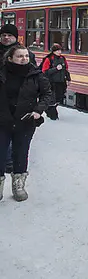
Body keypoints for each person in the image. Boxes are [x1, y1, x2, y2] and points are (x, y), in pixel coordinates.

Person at [0, 44, 53, 201]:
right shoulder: (2, 73)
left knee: (21, 153)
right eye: (19, 56)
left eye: (26, 56)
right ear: (10, 58)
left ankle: (19, 186)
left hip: (25, 120)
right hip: (2, 120)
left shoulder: (36, 75)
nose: (24, 59)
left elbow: (47, 94)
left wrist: (38, 110)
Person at [0, 24, 36, 174]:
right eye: (3, 35)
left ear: (16, 37)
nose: (6, 38)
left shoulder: (25, 53)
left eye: (10, 35)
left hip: (20, 103)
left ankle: (13, 166)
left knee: (18, 140)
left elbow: (36, 77)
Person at [41, 43, 71, 120]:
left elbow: (66, 69)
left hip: (61, 82)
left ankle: (49, 110)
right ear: (53, 51)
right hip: (51, 83)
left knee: (59, 98)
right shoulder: (49, 59)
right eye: (57, 50)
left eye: (60, 50)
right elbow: (45, 71)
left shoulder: (63, 59)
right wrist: (56, 69)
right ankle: (53, 115)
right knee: (52, 99)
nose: (59, 52)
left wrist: (68, 79)